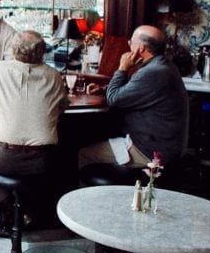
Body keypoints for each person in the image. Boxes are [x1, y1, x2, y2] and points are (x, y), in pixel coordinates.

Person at [0, 30, 69, 245]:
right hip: (43, 160)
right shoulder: (54, 75)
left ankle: (5, 211)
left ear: (13, 50)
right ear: (42, 52)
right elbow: (62, 106)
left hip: (4, 156)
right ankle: (24, 213)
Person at [78, 25, 188, 168]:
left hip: (152, 152)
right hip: (163, 145)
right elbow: (133, 90)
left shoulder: (153, 72)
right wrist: (104, 89)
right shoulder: (162, 65)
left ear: (140, 48)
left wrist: (122, 68)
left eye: (131, 41)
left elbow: (114, 100)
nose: (128, 44)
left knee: (83, 153)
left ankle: (95, 191)